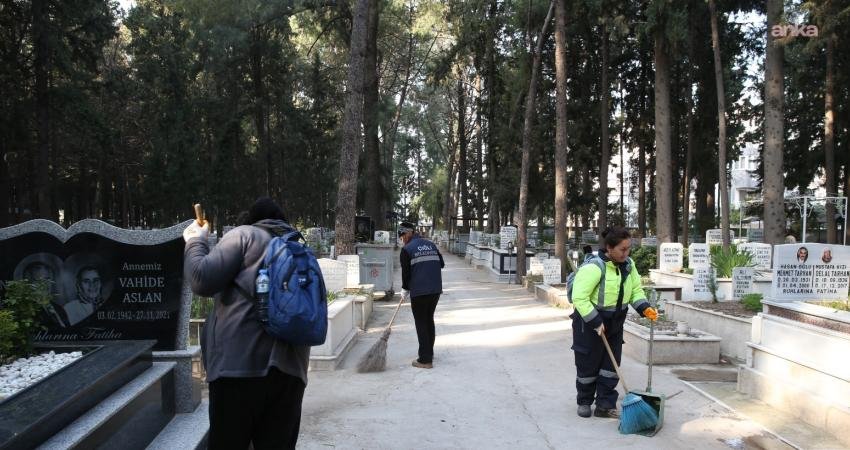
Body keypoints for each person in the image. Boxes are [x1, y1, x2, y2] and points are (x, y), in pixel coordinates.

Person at [183, 197, 309, 450]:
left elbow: (200, 279)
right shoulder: (299, 249)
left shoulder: (244, 236)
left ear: (252, 220)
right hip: (290, 373)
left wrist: (195, 241)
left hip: (238, 371)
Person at [570, 226, 657, 419]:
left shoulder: (629, 265)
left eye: (629, 248)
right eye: (622, 249)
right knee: (588, 365)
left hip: (615, 323)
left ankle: (604, 405)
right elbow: (579, 297)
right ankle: (584, 401)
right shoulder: (594, 267)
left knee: (611, 367)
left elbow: (635, 290)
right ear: (609, 248)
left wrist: (644, 307)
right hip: (589, 323)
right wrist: (595, 320)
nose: (626, 253)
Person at [399, 221, 445, 369]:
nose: (402, 239)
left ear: (409, 233)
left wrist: (405, 289)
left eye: (403, 236)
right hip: (435, 290)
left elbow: (406, 274)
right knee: (428, 319)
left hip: (419, 291)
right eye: (401, 237)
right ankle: (429, 352)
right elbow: (441, 264)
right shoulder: (430, 245)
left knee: (421, 322)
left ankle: (425, 360)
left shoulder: (406, 250)